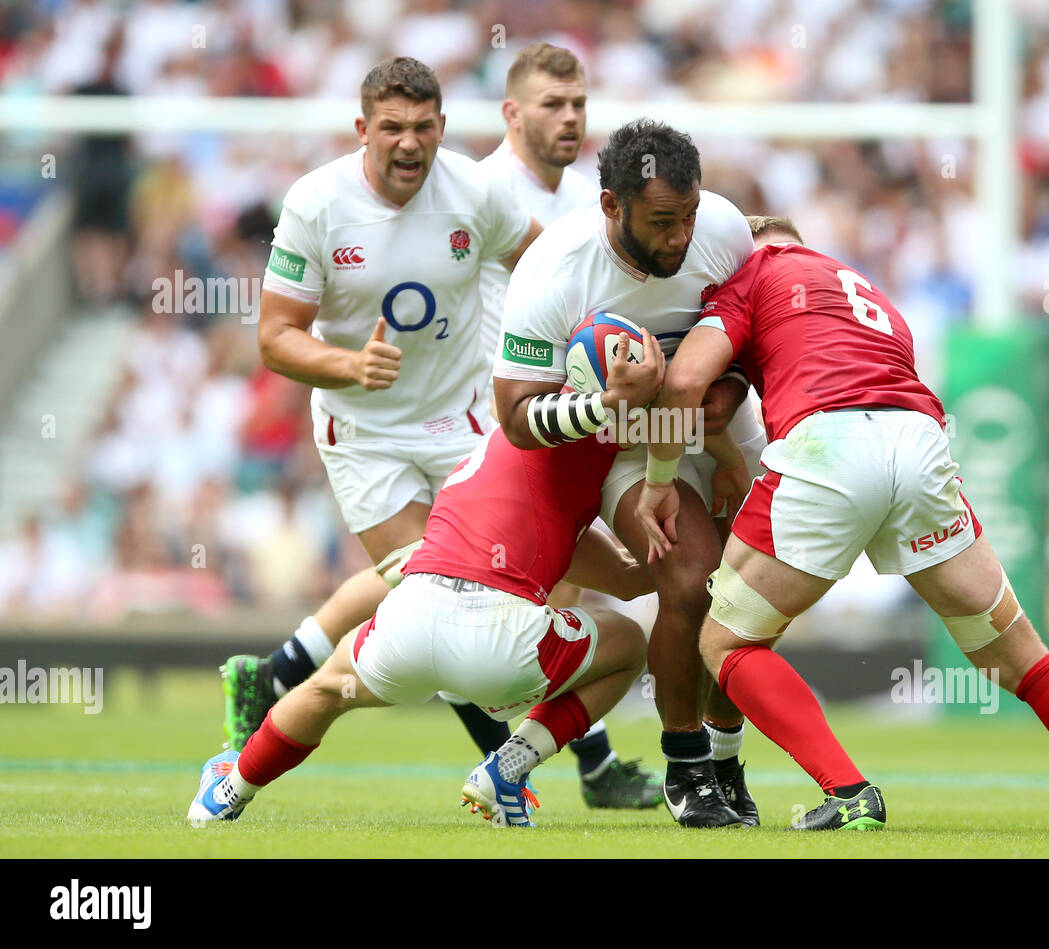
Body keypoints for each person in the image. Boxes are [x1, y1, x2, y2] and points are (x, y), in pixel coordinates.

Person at [635, 216, 1049, 834]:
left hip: (827, 446)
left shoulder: (749, 277)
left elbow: (687, 381)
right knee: (1024, 660)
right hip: (919, 443)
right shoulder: (863, 288)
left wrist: (659, 479)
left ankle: (849, 791)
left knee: (726, 641)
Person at [221, 57, 543, 764]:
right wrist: (350, 366)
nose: (408, 142)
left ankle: (276, 672)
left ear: (442, 128)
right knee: (442, 589)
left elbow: (543, 264)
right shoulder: (316, 203)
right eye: (391, 127)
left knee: (472, 579)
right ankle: (507, 766)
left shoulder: (476, 191)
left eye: (423, 127)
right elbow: (275, 338)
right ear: (362, 129)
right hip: (365, 434)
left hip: (461, 422)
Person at [187, 357, 661, 829]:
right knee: (629, 646)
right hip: (501, 648)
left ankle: (227, 792)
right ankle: (510, 766)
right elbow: (624, 577)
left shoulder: (500, 440)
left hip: (410, 621)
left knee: (325, 690)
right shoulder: (595, 455)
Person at [493, 119, 765, 828]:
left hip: (722, 428)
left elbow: (756, 336)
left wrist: (718, 399)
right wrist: (604, 404)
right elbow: (517, 416)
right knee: (688, 577)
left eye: (689, 217)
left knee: (755, 597)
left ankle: (727, 757)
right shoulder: (555, 268)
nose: (681, 238)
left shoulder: (727, 230)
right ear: (611, 205)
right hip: (631, 448)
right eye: (662, 222)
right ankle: (686, 763)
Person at [460, 42, 660, 809]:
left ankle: (565, 762)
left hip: (579, 425)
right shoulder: (477, 193)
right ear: (512, 113)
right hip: (500, 429)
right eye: (553, 104)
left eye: (578, 103)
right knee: (491, 610)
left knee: (551, 610)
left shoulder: (593, 198)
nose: (571, 117)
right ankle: (572, 763)